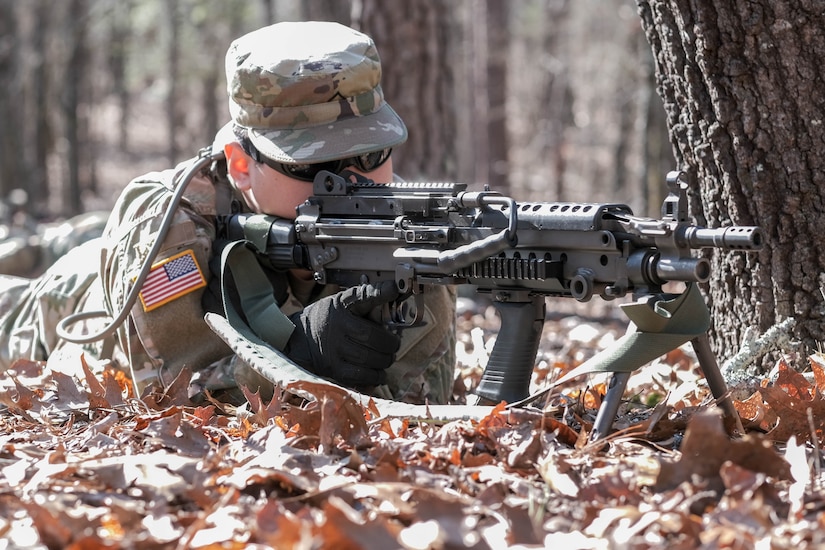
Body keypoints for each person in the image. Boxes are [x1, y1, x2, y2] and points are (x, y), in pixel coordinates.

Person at [0, 21, 457, 405]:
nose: (352, 181)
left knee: (73, 235)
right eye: (309, 165)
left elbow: (418, 397)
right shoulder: (167, 220)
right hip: (71, 301)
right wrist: (297, 355)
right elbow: (166, 395)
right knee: (29, 268)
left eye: (371, 154)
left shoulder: (411, 227)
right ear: (241, 164)